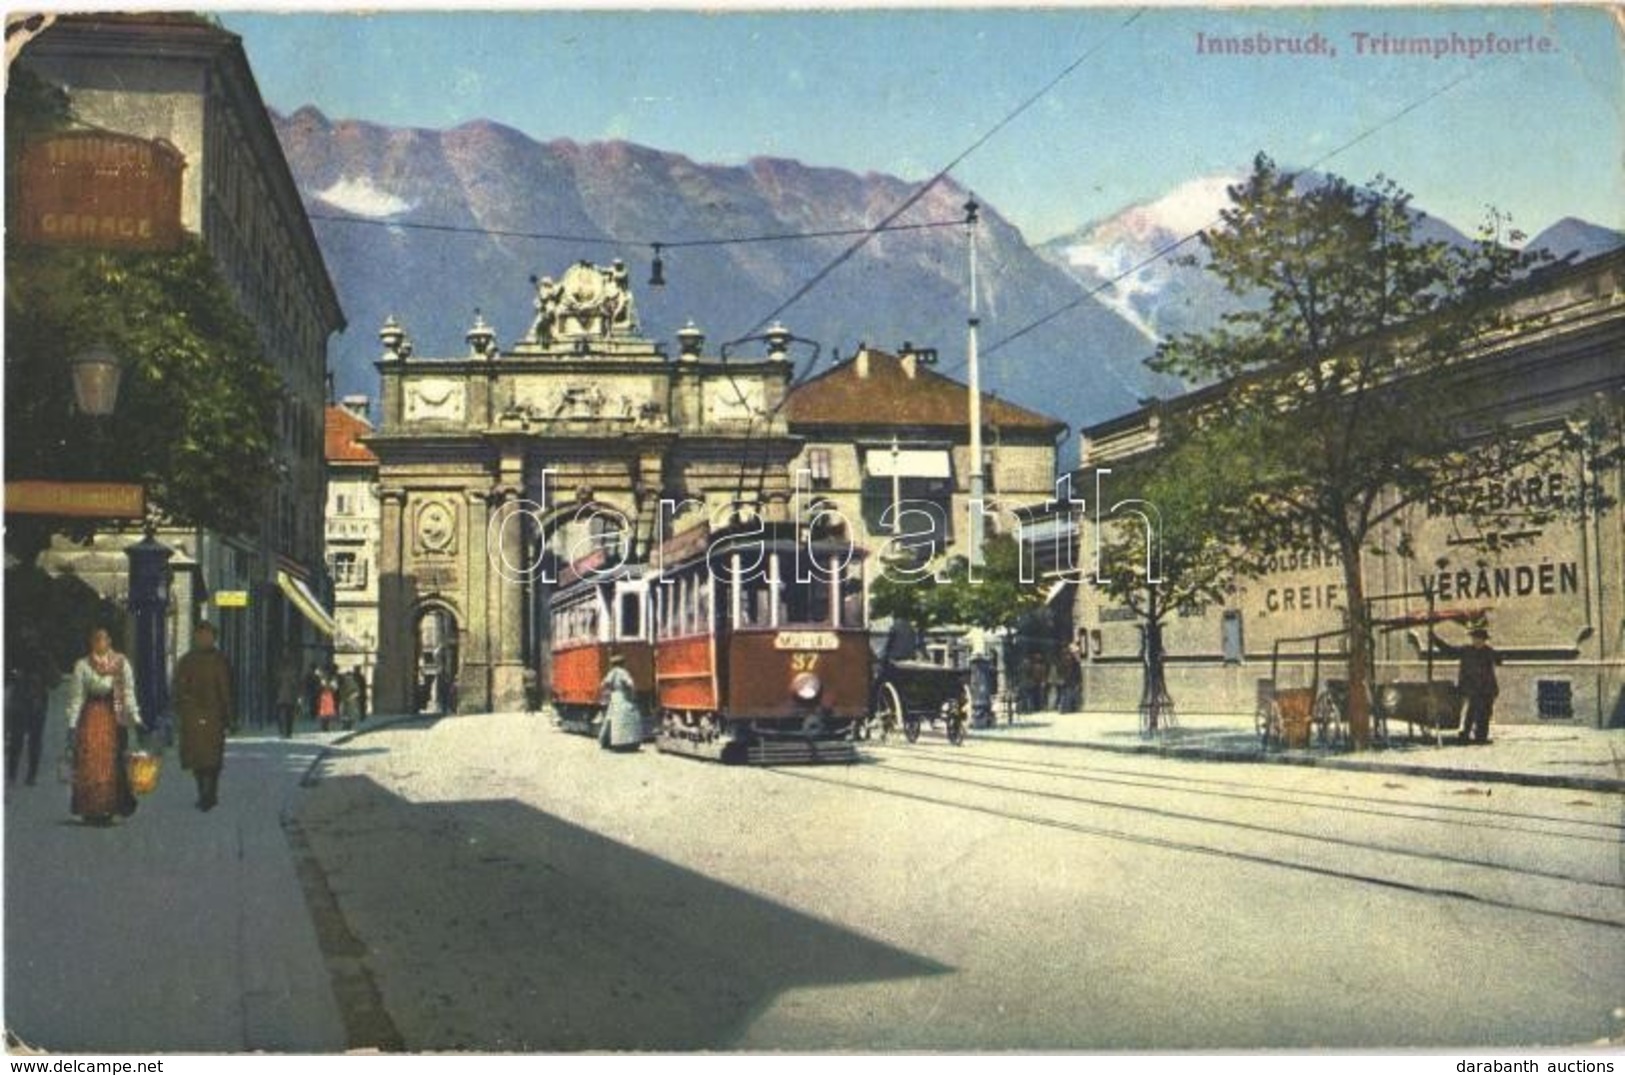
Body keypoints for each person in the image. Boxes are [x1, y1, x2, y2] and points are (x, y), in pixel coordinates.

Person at [64, 627, 143, 825]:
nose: (100, 643)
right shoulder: (82, 665)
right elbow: (77, 697)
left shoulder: (120, 663)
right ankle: (90, 808)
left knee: (112, 761)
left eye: (103, 639)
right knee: (90, 761)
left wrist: (135, 717)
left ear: (109, 642)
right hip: (91, 717)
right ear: (91, 643)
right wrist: (72, 724)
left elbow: (128, 691)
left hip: (113, 717)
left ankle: (109, 806)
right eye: (96, 640)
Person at [172, 621, 235, 811]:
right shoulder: (192, 661)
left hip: (206, 716)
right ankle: (206, 793)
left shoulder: (211, 661)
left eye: (207, 636)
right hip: (202, 716)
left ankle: (207, 793)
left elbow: (225, 690)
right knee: (204, 759)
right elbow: (178, 689)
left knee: (207, 759)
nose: (204, 639)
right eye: (202, 636)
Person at [1432, 624, 1501, 744]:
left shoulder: (1489, 652)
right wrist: (1435, 640)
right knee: (1471, 712)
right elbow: (1450, 651)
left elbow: (1500, 661)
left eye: (1480, 639)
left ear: (1484, 640)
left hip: (1486, 690)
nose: (1477, 641)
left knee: (1484, 714)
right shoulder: (1466, 651)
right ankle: (1466, 735)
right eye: (1475, 638)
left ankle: (1481, 736)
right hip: (1473, 689)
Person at [5, 630, 53, 787]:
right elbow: (55, 679)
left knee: (19, 740)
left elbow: (54, 678)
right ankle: (27, 776)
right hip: (33, 702)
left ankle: (15, 775)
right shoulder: (42, 656)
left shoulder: (17, 656)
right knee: (31, 740)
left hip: (25, 701)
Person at [597, 654, 642, 752]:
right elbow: (630, 683)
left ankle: (605, 742)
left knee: (610, 720)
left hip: (614, 697)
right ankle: (625, 742)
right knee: (625, 720)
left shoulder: (612, 672)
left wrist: (608, 692)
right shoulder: (623, 672)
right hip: (624, 697)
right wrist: (633, 693)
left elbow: (603, 684)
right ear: (622, 663)